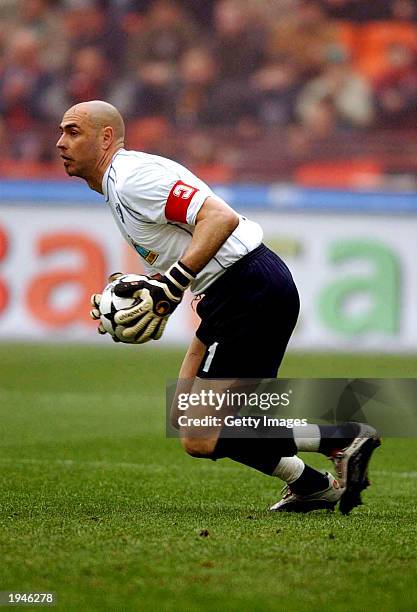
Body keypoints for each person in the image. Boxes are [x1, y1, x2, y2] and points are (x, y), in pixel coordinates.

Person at [56, 100, 380, 514]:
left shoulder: (133, 178)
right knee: (186, 420)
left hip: (248, 287)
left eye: (72, 131)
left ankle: (339, 439)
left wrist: (172, 285)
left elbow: (218, 217)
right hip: (231, 292)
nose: (61, 142)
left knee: (202, 434)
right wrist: (144, 294)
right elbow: (187, 243)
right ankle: (313, 483)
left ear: (105, 137)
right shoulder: (119, 187)